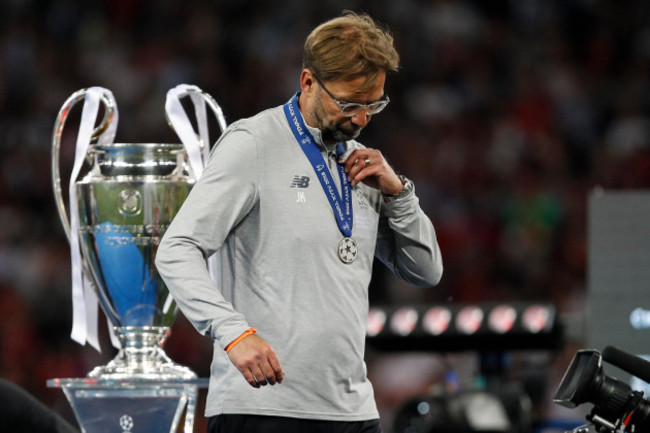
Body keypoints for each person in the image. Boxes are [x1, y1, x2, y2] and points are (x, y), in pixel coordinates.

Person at [156, 11, 443, 433]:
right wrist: (233, 333)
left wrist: (400, 195)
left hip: (352, 411)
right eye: (349, 104)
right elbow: (177, 248)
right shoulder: (252, 144)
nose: (361, 119)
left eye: (373, 105)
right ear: (308, 82)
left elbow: (426, 271)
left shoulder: (361, 166)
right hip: (261, 408)